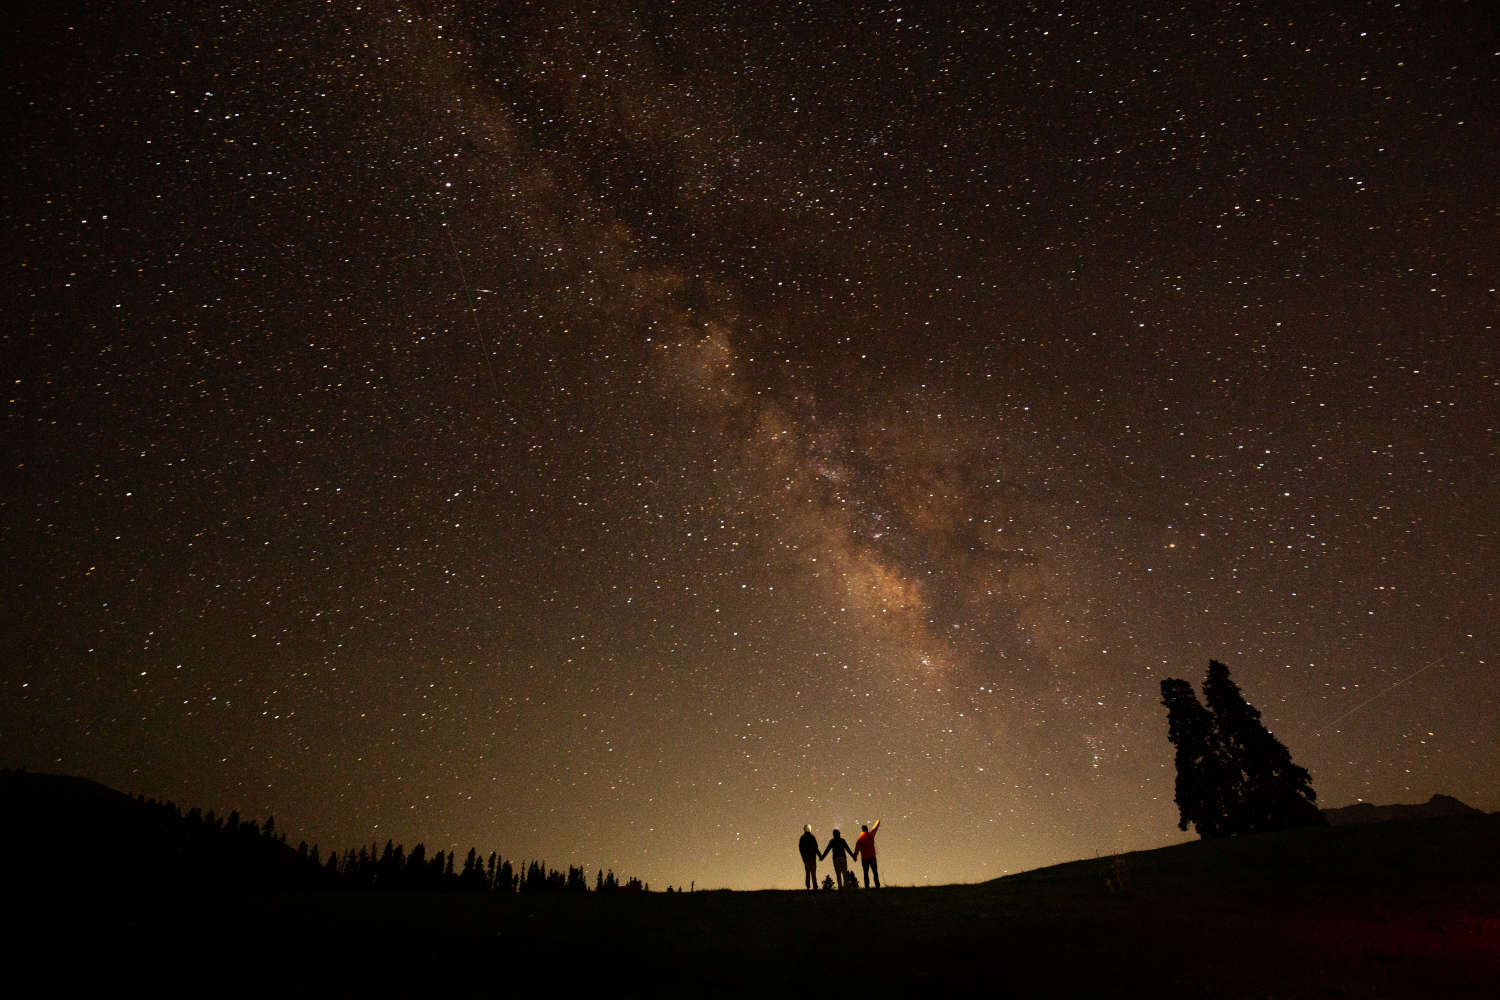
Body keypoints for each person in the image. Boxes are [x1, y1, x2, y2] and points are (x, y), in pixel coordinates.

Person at [854, 820, 880, 888]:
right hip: (872, 857)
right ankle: (877, 885)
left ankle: (867, 886)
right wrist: (878, 821)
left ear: (862, 830)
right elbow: (875, 828)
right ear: (867, 829)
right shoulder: (871, 835)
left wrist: (855, 856)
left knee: (866, 873)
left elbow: (857, 849)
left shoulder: (859, 838)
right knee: (875, 872)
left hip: (864, 858)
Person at [798, 824, 819, 890]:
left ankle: (808, 886)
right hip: (812, 857)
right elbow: (816, 848)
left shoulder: (802, 838)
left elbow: (801, 848)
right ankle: (815, 886)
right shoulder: (812, 837)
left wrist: (803, 857)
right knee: (813, 872)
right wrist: (820, 856)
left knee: (807, 872)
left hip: (806, 858)